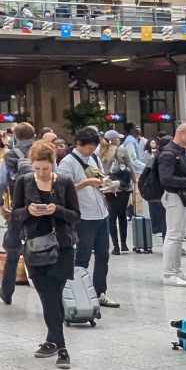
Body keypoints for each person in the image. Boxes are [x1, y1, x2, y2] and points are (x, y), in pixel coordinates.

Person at [3, 143, 80, 367]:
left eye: (45, 169)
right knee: (48, 296)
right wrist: (28, 211)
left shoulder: (64, 183)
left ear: (53, 164)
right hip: (35, 247)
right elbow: (14, 215)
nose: (41, 173)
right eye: (37, 169)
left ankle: (60, 345)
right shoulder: (23, 182)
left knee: (53, 295)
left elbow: (76, 216)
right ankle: (55, 341)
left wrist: (57, 210)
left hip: (62, 247)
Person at [58, 127, 118, 311]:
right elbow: (63, 190)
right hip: (83, 215)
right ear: (78, 144)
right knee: (82, 256)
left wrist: (107, 185)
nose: (91, 151)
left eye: (94, 147)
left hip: (101, 212)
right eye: (89, 147)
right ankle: (78, 293)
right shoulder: (67, 163)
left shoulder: (94, 158)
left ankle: (100, 292)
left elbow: (99, 178)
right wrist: (85, 183)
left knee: (103, 255)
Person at [157, 122, 186, 285]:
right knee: (174, 235)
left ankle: (176, 270)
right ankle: (169, 273)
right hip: (174, 196)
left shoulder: (178, 152)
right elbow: (166, 179)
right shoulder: (169, 153)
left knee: (178, 235)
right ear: (181, 133)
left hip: (180, 196)